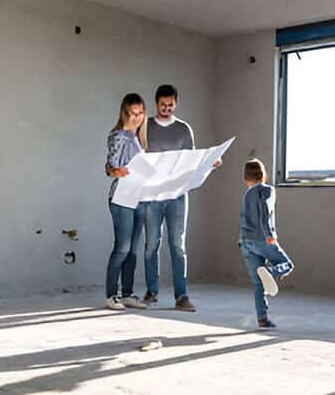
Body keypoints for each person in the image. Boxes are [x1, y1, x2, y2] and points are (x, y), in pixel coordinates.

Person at [110, 84, 221, 311]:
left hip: (178, 195)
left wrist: (209, 163)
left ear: (176, 103)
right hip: (151, 196)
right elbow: (130, 156)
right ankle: (152, 292)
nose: (166, 108)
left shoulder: (183, 129)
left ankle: (182, 296)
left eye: (170, 104)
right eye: (162, 104)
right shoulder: (145, 126)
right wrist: (113, 169)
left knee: (177, 245)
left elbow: (191, 160)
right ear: (156, 103)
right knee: (151, 245)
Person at [104, 93, 149, 310]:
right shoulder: (118, 136)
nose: (136, 117)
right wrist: (115, 171)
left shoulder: (140, 137)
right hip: (121, 198)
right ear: (124, 113)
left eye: (140, 113)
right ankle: (111, 294)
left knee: (132, 249)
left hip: (139, 196)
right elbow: (111, 165)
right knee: (121, 248)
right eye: (132, 113)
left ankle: (128, 293)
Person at [239, 158, 294, 329]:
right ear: (264, 175)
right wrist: (270, 236)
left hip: (245, 241)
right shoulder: (268, 190)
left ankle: (263, 319)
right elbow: (266, 211)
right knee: (287, 264)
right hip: (262, 238)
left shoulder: (247, 194)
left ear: (245, 177)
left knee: (258, 284)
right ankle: (270, 271)